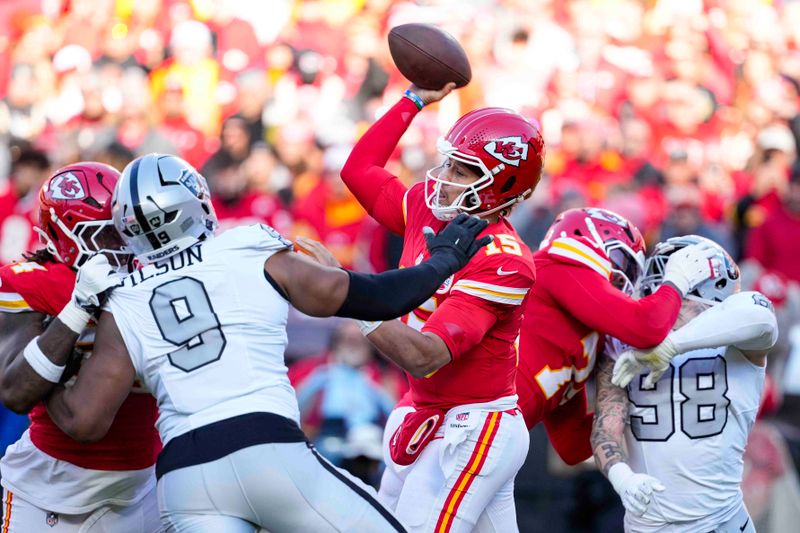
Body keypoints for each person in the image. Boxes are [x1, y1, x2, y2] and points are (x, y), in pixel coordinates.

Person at [20, 153, 490, 533]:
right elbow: (376, 298)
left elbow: (84, 419)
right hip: (266, 450)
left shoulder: (125, 297)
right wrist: (444, 260)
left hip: (183, 481)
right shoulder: (245, 247)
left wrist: (45, 370)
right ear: (196, 202)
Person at [341, 83, 543, 532]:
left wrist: (347, 296)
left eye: (463, 169)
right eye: (449, 161)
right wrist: (413, 99)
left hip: (475, 426)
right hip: (425, 411)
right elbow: (358, 170)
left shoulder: (505, 259)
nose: (445, 175)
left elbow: (426, 355)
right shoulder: (428, 209)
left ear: (502, 186)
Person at [0, 162, 161, 532]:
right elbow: (15, 392)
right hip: (48, 487)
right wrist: (77, 309)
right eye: (104, 235)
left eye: (124, 231)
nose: (119, 245)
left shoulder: (152, 277)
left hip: (140, 485)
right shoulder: (33, 282)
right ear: (63, 235)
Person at [592, 236, 778, 533]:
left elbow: (761, 318)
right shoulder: (622, 341)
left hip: (721, 521)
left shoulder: (738, 332)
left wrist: (671, 347)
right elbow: (606, 426)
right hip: (648, 526)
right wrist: (622, 477)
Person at [514, 208, 722, 465]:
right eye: (625, 263)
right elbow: (646, 328)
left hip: (495, 432)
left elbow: (573, 444)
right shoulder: (556, 266)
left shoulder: (585, 335)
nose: (629, 278)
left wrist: (641, 405)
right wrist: (677, 280)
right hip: (470, 421)